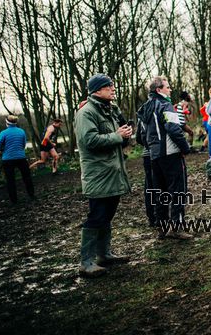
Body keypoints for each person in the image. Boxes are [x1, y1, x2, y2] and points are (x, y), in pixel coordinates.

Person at [75, 74, 131, 277]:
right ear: (97, 90)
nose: (113, 89)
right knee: (96, 216)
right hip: (98, 174)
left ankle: (104, 255)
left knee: (107, 215)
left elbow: (117, 136)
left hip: (112, 172)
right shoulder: (86, 113)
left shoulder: (109, 110)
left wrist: (124, 134)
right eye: (108, 86)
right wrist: (117, 136)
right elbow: (89, 140)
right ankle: (86, 262)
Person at [139, 76, 192, 239]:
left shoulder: (143, 109)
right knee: (178, 190)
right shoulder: (165, 105)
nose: (170, 90)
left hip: (154, 156)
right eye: (167, 87)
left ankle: (162, 228)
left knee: (159, 191)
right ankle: (177, 228)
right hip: (170, 154)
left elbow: (140, 136)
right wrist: (185, 148)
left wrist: (152, 147)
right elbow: (174, 129)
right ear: (159, 90)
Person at [0, 115, 36, 205]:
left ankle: (14, 200)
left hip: (8, 159)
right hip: (21, 158)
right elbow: (23, 145)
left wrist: (2, 147)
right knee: (27, 177)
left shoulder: (3, 133)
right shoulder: (21, 131)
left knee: (10, 180)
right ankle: (32, 195)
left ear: (7, 123)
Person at [136, 98, 156, 227]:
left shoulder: (142, 113)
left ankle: (152, 217)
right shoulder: (161, 108)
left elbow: (138, 137)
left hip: (146, 155)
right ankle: (160, 217)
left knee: (149, 186)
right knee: (160, 185)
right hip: (158, 154)